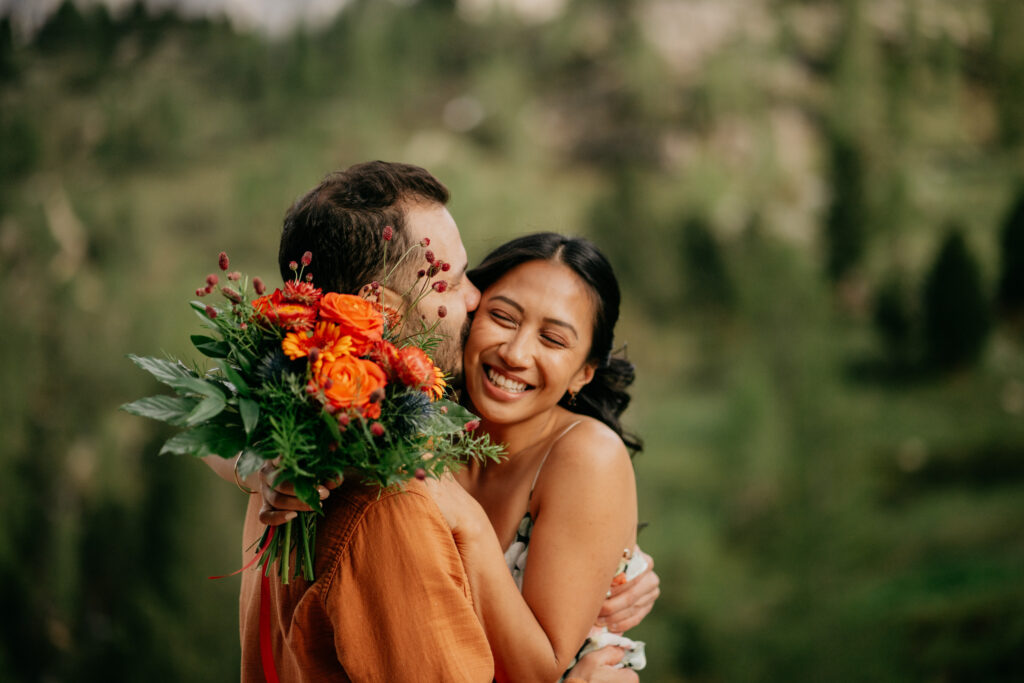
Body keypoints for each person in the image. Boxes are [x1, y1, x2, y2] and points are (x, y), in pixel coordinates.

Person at [212, 161, 645, 682]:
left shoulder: (570, 455)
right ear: (384, 307)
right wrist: (262, 465)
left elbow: (536, 663)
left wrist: (473, 523)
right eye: (499, 313)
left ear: (584, 373)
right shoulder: (389, 425)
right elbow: (215, 422)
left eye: (554, 339)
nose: (514, 350)